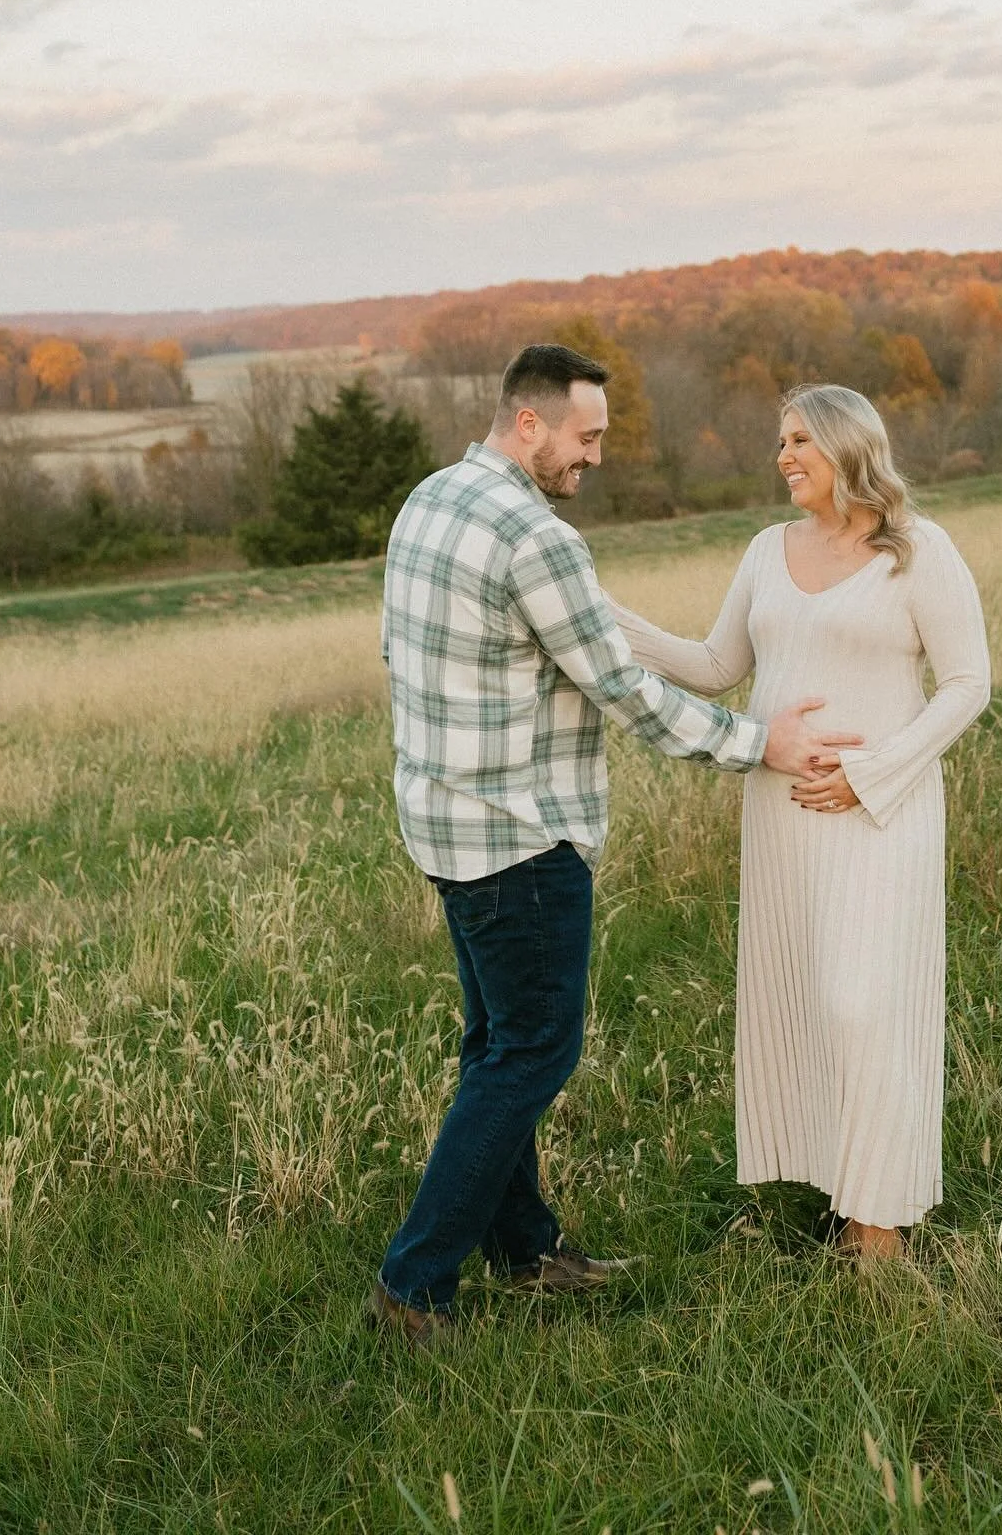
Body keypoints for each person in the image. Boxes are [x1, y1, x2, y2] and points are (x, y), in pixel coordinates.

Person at [368, 344, 862, 1348]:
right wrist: (760, 744)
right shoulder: (534, 536)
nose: (596, 456)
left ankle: (528, 1252)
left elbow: (404, 652)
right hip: (520, 840)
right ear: (532, 424)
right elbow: (629, 696)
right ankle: (415, 1287)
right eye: (587, 437)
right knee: (529, 1058)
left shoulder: (432, 498)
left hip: (443, 825)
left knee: (495, 1048)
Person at [608, 383, 991, 1260]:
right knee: (812, 1006)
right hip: (781, 814)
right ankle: (844, 1200)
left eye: (797, 441)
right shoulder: (764, 550)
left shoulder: (916, 551)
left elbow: (969, 683)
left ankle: (882, 1232)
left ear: (847, 446)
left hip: (879, 815)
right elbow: (714, 667)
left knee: (865, 1008)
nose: (782, 456)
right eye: (778, 441)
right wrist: (602, 619)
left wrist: (871, 774)